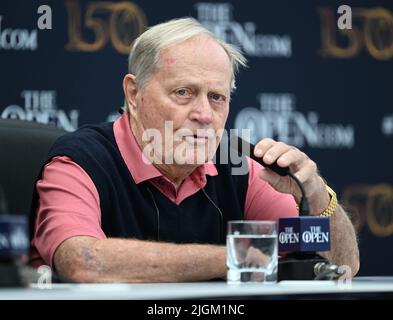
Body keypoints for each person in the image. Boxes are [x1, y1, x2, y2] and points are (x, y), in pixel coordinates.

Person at [29, 18, 359, 282]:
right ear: (134, 93)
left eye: (216, 97)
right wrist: (240, 256)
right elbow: (82, 262)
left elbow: (343, 265)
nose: (203, 114)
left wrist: (314, 194)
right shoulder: (79, 160)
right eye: (184, 92)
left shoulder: (241, 166)